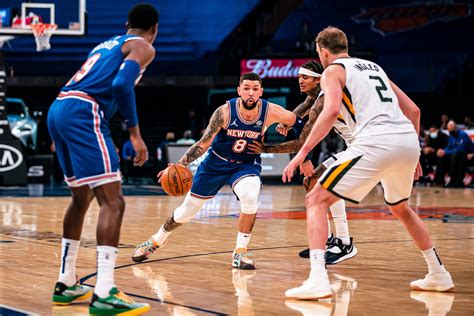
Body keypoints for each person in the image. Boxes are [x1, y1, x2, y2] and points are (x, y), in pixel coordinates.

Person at [282, 26, 454, 299]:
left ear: (323, 52)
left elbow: (331, 111)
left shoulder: (333, 71)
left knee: (315, 198)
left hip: (376, 141)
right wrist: (415, 153)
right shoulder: (375, 68)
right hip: (407, 141)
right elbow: (413, 110)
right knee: (402, 209)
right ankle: (438, 273)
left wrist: (302, 153)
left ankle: (318, 279)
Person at [47, 3, 158, 314]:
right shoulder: (143, 46)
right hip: (84, 112)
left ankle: (66, 282)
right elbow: (121, 85)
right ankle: (105, 291)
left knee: (81, 199)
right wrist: (134, 134)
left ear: (127, 24)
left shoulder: (107, 43)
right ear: (155, 28)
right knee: (113, 202)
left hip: (59, 108)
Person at [131, 72, 304, 269]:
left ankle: (240, 252)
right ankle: (156, 240)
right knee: (185, 213)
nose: (250, 93)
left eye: (255, 89)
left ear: (261, 92)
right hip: (216, 163)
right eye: (246, 88)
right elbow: (204, 143)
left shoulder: (271, 111)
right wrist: (180, 164)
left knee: (250, 196)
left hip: (246, 165)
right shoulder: (224, 112)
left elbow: (298, 123)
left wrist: (301, 153)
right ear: (239, 91)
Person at [248, 61, 357, 264]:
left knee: (320, 182)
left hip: (364, 146)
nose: (300, 80)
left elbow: (301, 143)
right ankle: (328, 240)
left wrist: (265, 148)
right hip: (355, 146)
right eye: (299, 76)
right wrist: (286, 121)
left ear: (318, 80)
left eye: (305, 77)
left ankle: (344, 243)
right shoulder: (317, 96)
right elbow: (303, 107)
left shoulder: (324, 99)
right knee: (314, 182)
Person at [437, 120, 472, 187]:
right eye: (448, 127)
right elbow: (449, 147)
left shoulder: (462, 134)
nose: (449, 128)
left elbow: (460, 149)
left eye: (451, 126)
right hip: (456, 153)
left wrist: (446, 152)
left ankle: (454, 180)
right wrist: (443, 151)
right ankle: (440, 179)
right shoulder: (451, 135)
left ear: (455, 127)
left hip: (467, 153)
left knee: (455, 155)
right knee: (441, 156)